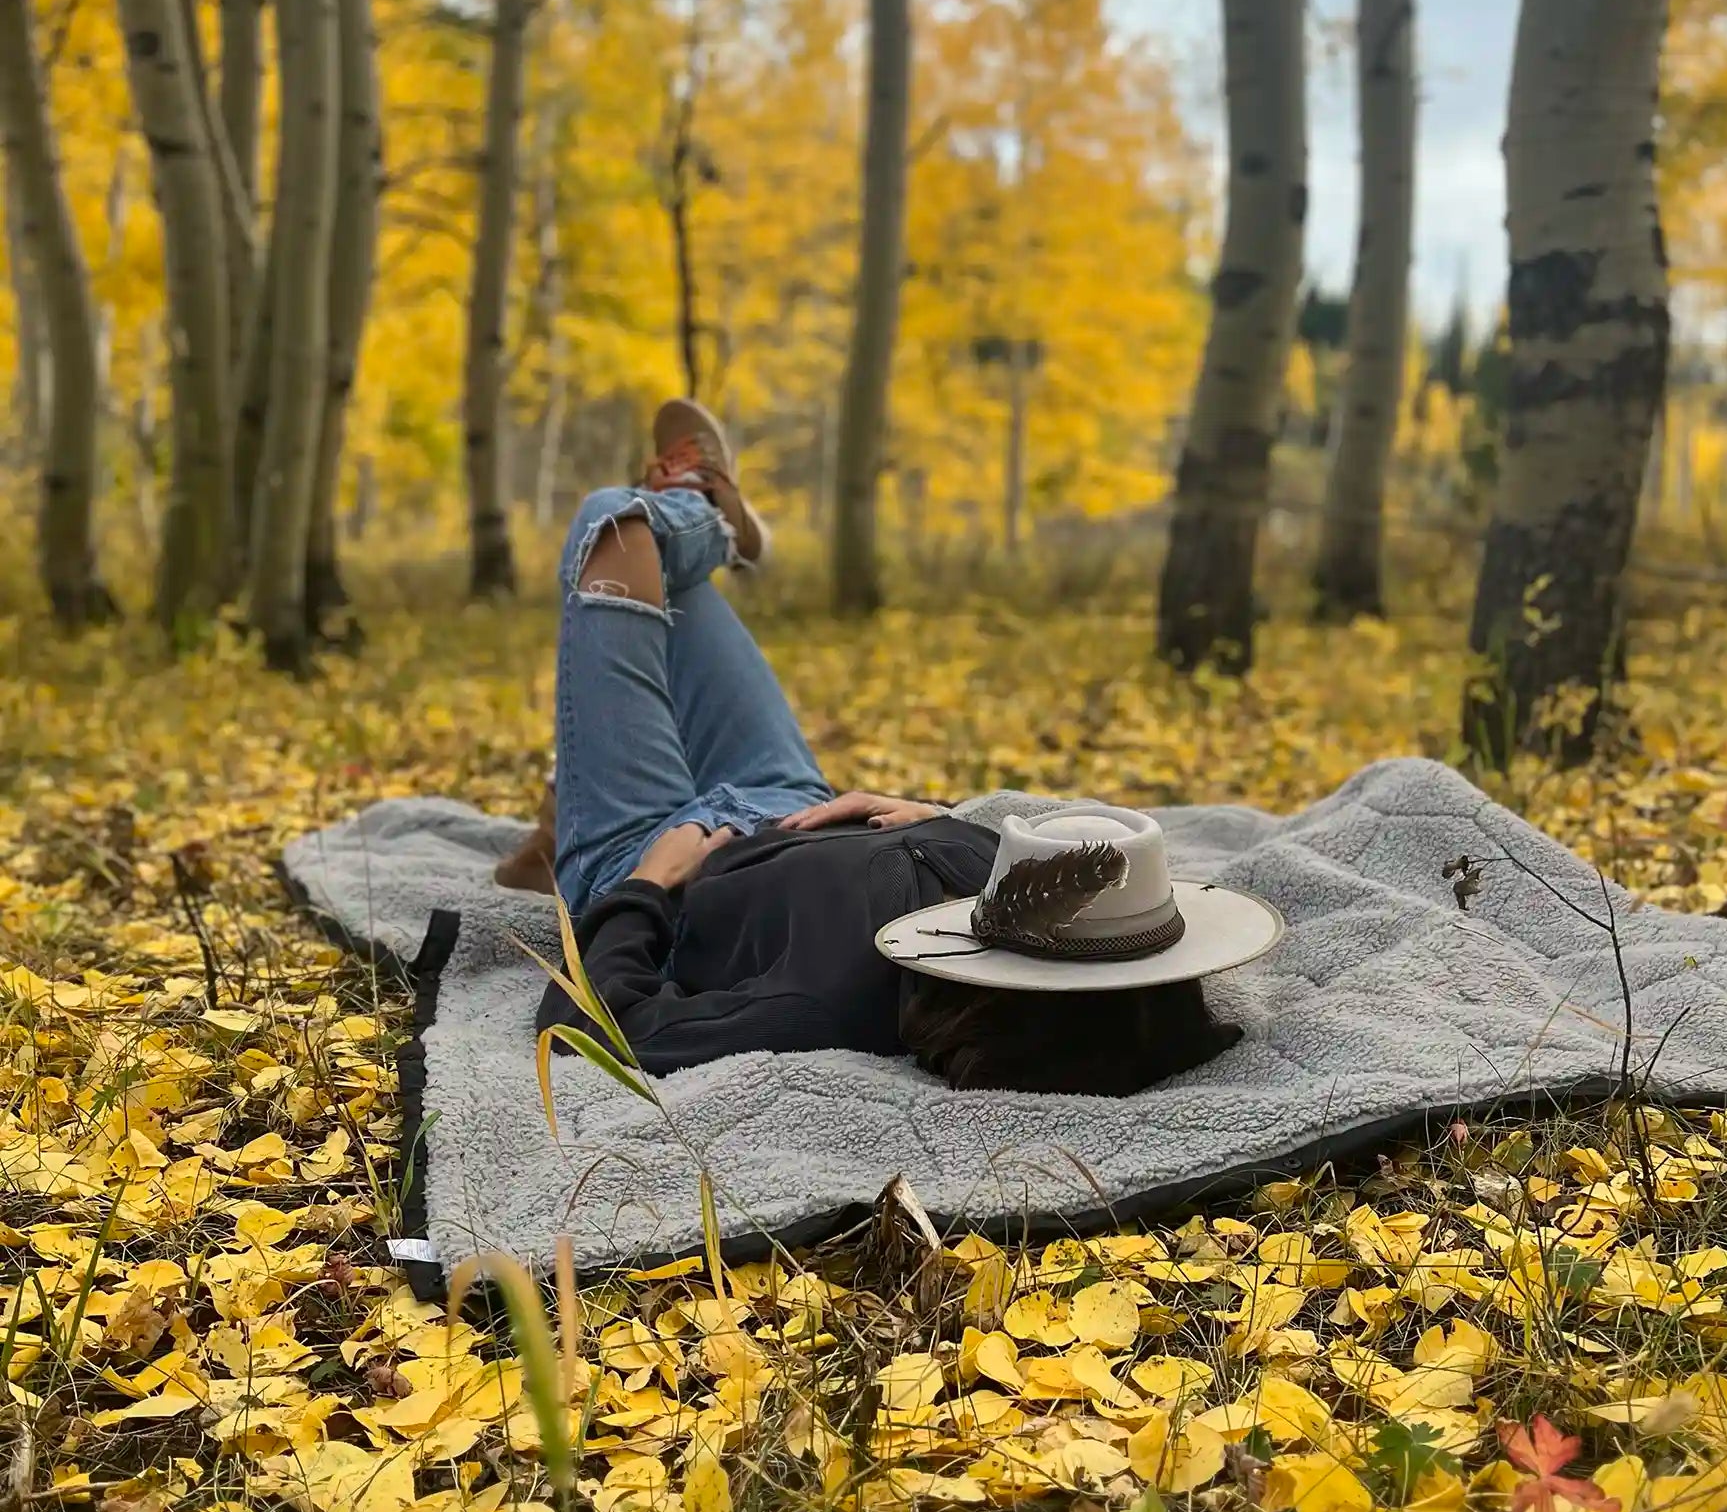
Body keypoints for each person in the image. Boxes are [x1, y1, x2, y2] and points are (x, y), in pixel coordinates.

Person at [519, 402, 1280, 1094]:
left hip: (660, 852)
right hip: (791, 795)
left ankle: (706, 518)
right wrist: (929, 815)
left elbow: (595, 1025)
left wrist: (648, 887)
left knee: (617, 527)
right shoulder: (1059, 905)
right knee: (661, 583)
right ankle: (574, 778)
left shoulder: (821, 1005)